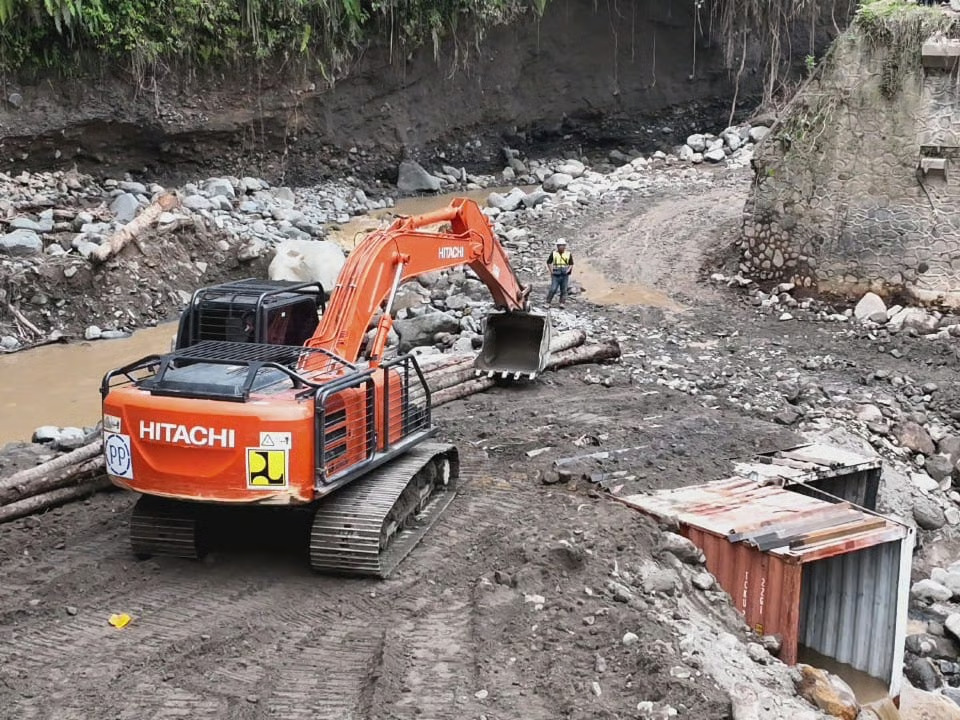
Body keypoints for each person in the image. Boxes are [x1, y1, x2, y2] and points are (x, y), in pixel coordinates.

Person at [545, 238, 574, 307]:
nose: (561, 247)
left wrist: (568, 270)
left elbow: (571, 263)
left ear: (565, 246)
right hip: (556, 273)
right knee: (553, 289)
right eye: (560, 245)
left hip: (564, 274)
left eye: (563, 245)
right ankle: (548, 302)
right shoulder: (554, 253)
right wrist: (551, 271)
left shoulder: (568, 254)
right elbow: (548, 262)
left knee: (564, 289)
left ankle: (562, 303)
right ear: (557, 246)